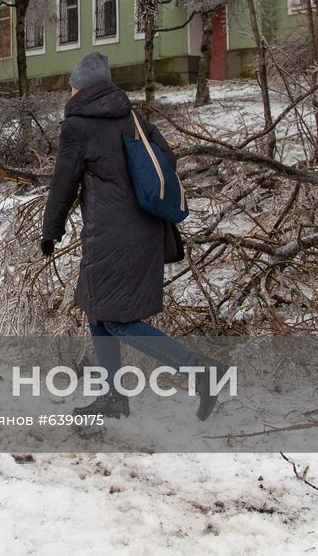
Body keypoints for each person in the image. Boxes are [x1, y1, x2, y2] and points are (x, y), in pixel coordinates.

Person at [39, 51, 219, 421]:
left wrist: (50, 230)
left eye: (71, 86)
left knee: (116, 319)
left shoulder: (78, 126)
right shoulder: (132, 116)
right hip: (145, 230)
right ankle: (113, 396)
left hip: (110, 236)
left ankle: (200, 370)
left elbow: (63, 185)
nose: (69, 92)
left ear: (81, 88)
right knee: (96, 309)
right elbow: (166, 158)